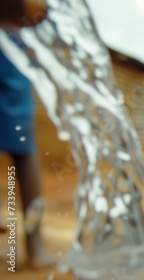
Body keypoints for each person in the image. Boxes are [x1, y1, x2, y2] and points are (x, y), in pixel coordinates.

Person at [0, 0, 53, 269]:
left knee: (23, 144)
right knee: (24, 150)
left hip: (12, 42)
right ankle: (35, 247)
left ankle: (35, 246)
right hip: (10, 41)